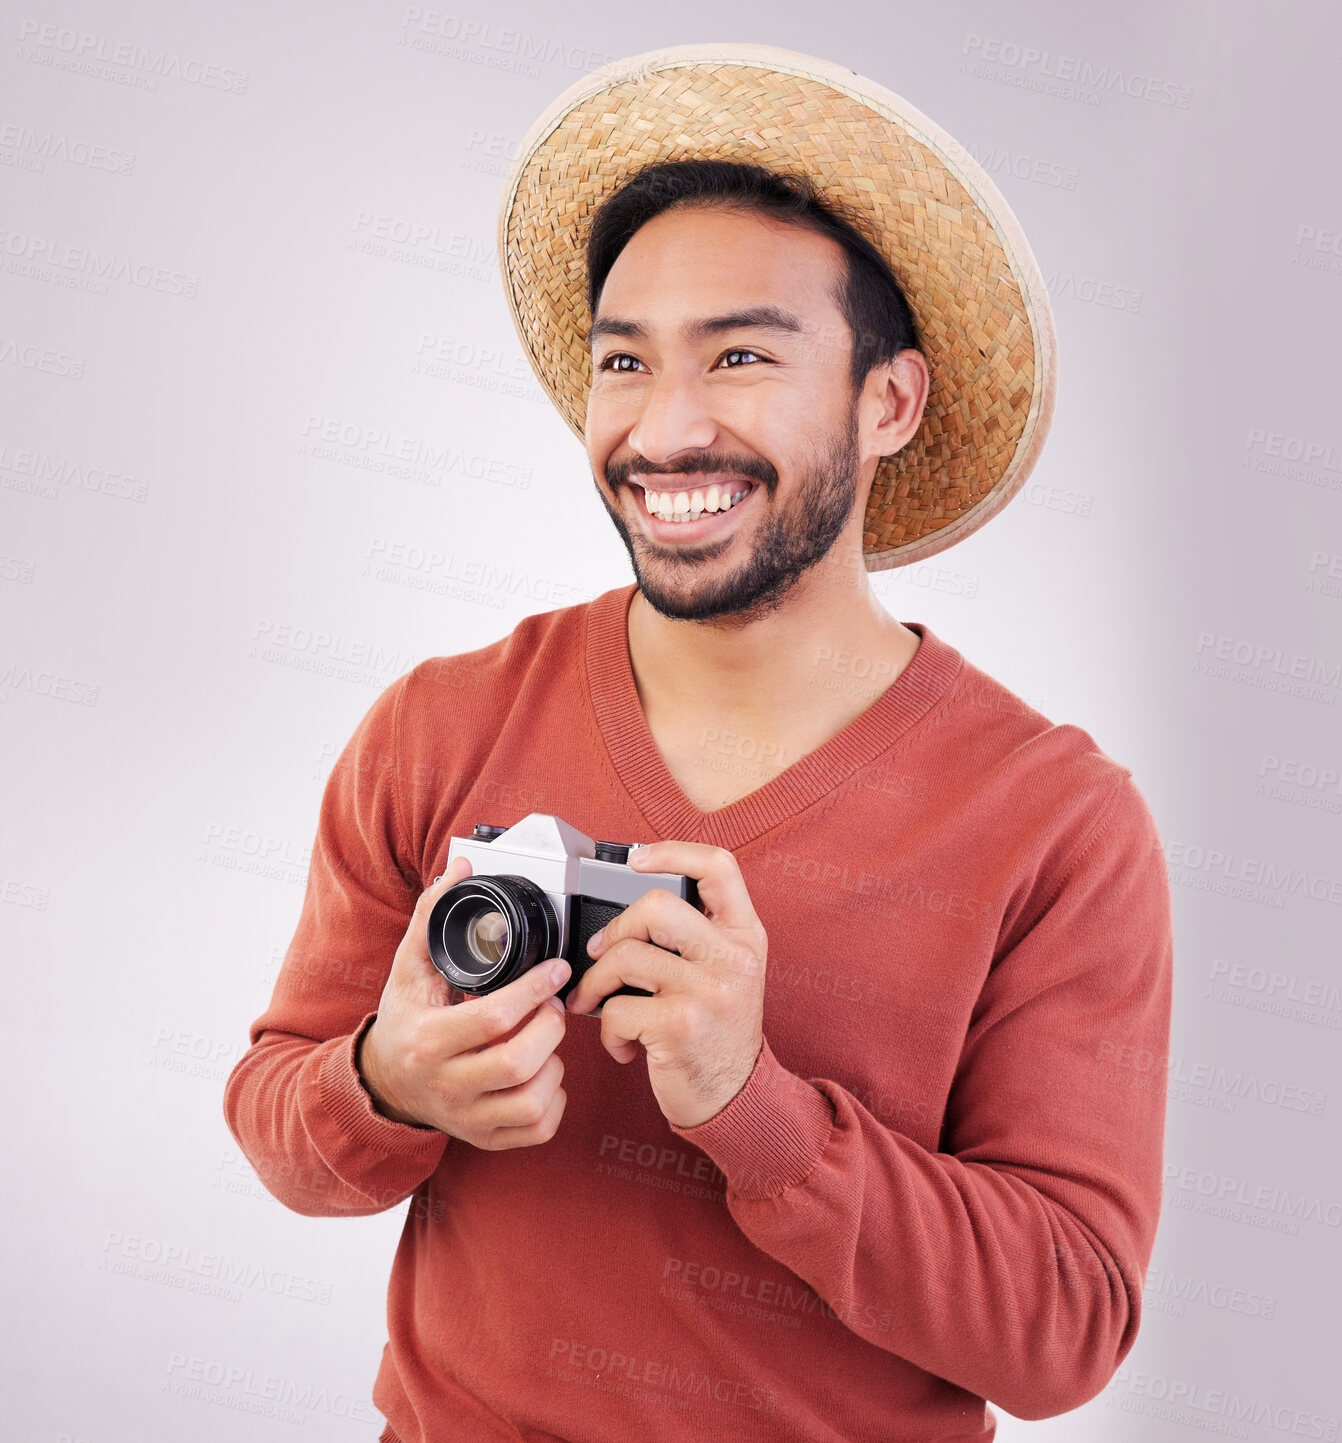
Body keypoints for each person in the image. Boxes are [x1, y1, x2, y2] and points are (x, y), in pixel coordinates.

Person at [224, 44, 1173, 1443]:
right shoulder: (439, 722)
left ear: (888, 400)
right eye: (625, 361)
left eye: (739, 355)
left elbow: (1065, 1334)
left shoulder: (1058, 824)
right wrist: (384, 1080)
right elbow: (281, 1121)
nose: (664, 429)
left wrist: (754, 1108)